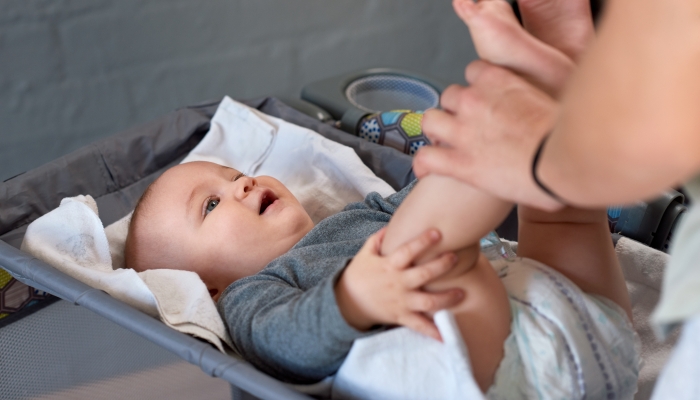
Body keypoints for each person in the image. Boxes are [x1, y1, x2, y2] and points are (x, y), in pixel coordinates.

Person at [123, 2, 639, 396]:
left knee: (561, 209)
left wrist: (437, 164)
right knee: (423, 251)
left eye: (234, 174)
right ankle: (518, 105)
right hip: (496, 375)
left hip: (584, 325)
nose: (241, 185)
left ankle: (557, 60)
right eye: (210, 206)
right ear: (208, 290)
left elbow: (431, 200)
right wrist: (354, 299)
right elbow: (287, 344)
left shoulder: (359, 212)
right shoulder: (250, 297)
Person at [415, 0, 700, 398]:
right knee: (425, 256)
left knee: (563, 218)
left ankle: (553, 79)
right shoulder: (297, 275)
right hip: (497, 374)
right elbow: (303, 340)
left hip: (592, 348)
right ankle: (537, 85)